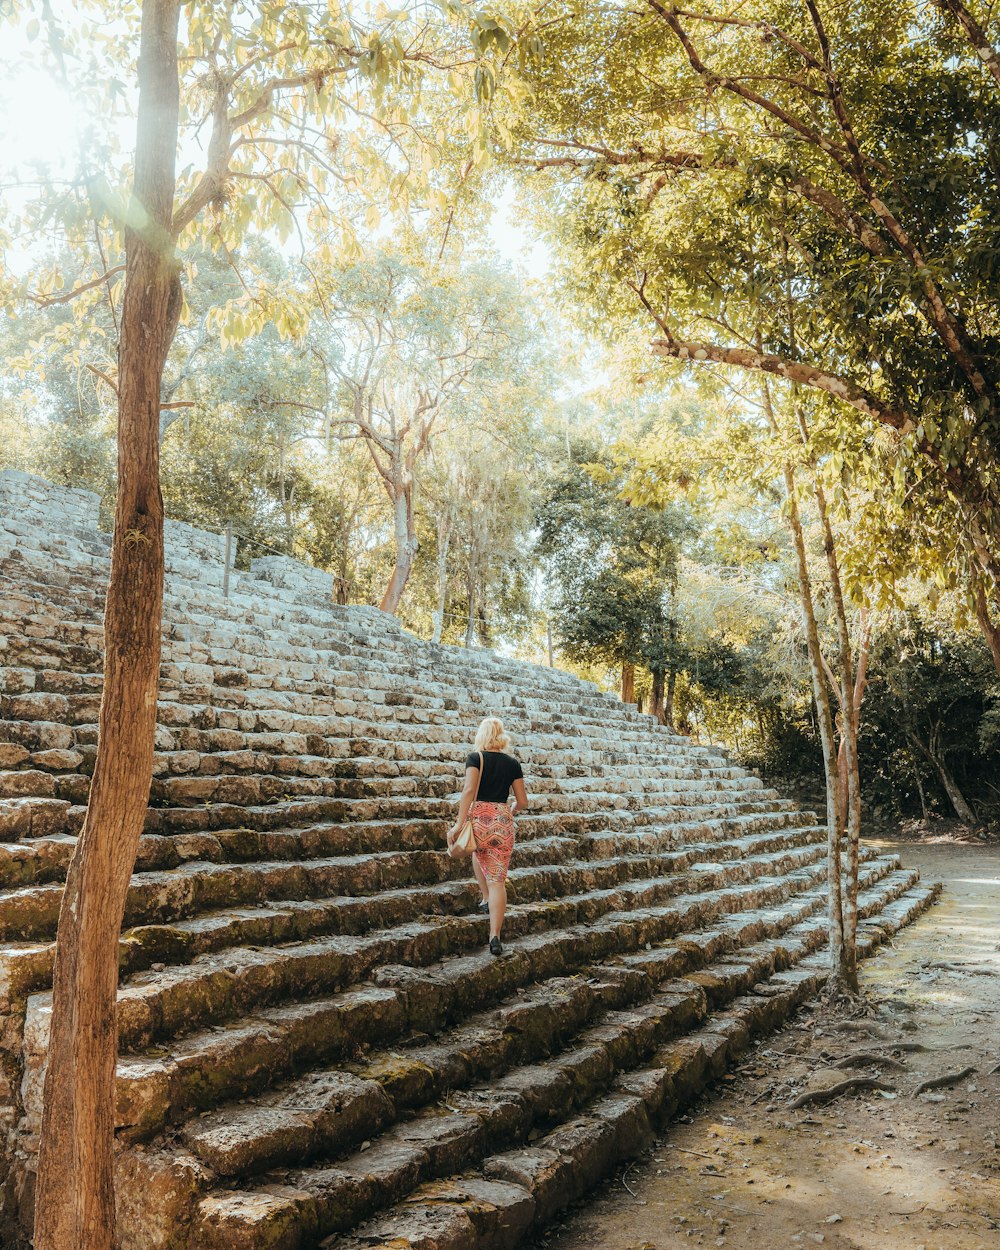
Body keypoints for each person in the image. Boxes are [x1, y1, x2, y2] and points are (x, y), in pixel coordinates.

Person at [446, 715, 527, 956]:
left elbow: (469, 790)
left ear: (481, 735)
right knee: (498, 880)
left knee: (476, 849)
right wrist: (510, 810)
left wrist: (458, 824)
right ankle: (495, 936)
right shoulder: (513, 763)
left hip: (479, 819)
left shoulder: (476, 758)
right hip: (502, 823)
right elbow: (522, 801)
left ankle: (484, 897)